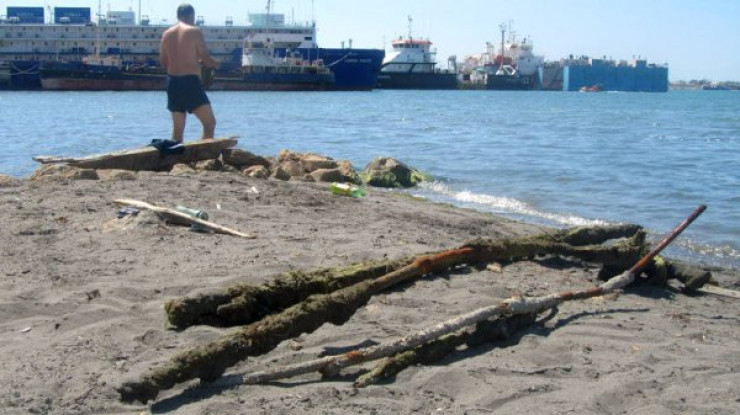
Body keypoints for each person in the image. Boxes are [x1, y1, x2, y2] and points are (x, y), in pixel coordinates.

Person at [159, 4, 219, 141]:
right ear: (191, 16)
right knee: (209, 123)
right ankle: (204, 153)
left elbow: (163, 62)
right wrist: (216, 63)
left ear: (178, 16)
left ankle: (175, 154)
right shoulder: (194, 31)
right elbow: (206, 59)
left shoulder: (166, 34)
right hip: (190, 82)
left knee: (178, 130)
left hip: (172, 83)